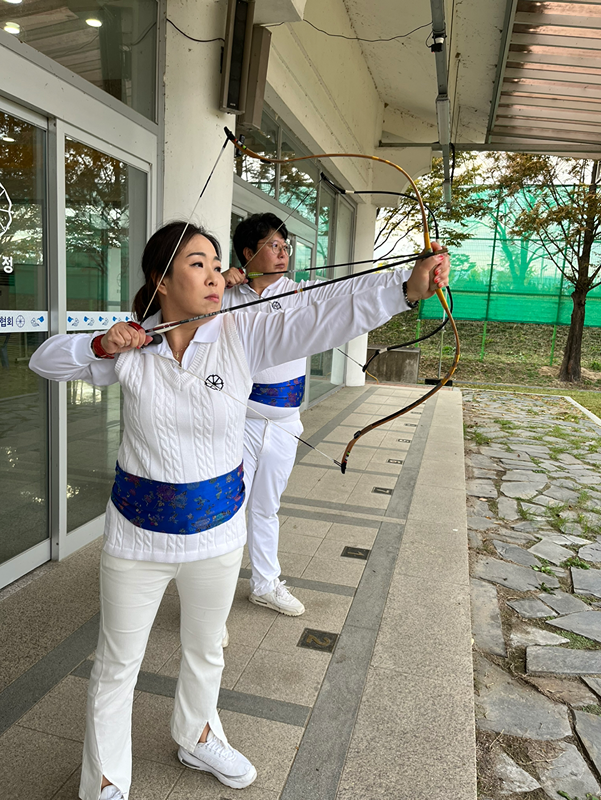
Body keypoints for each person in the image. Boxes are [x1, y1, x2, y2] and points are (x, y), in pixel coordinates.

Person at [29, 221, 448, 800]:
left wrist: (404, 289)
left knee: (206, 647)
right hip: (136, 538)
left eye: (215, 263)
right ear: (162, 279)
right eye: (196, 264)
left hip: (217, 532)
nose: (212, 275)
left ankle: (197, 732)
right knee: (116, 662)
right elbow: (45, 361)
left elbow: (319, 317)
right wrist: (102, 343)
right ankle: (105, 780)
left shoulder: (243, 331)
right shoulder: (131, 344)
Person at [222, 212, 449, 616]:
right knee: (228, 510)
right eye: (273, 245)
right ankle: (214, 601)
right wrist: (218, 281)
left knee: (265, 507)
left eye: (285, 246)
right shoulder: (222, 294)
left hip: (283, 422)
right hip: (234, 421)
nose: (282, 253)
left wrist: (414, 273)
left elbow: (356, 286)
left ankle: (264, 583)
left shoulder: (301, 294)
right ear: (247, 252)